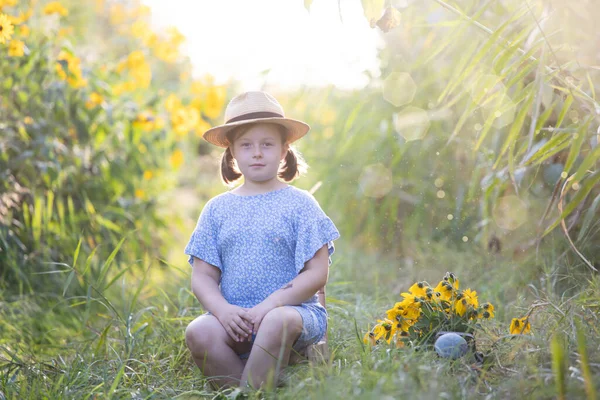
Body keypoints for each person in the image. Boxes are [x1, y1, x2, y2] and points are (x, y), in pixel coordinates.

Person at [184, 91, 340, 389]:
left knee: (275, 321)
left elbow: (318, 272)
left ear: (284, 150)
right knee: (199, 331)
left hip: (292, 316)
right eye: (246, 145)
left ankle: (251, 389)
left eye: (267, 144)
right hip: (234, 320)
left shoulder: (300, 204)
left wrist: (270, 306)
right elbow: (202, 277)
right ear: (232, 152)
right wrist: (223, 311)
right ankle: (258, 383)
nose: (257, 153)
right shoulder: (217, 209)